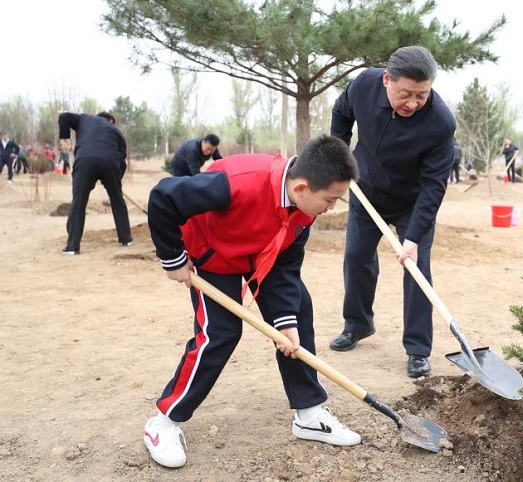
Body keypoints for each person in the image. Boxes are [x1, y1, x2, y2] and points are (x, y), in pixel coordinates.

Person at [143, 134, 361, 468]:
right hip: (211, 256)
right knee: (221, 333)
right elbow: (162, 198)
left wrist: (284, 320)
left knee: (297, 312)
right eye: (330, 200)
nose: (332, 208)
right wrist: (173, 258)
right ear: (301, 187)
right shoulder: (235, 183)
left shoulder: (305, 206)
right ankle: (165, 421)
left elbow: (286, 264)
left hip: (260, 257)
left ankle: (308, 413)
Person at [328, 45, 456, 379]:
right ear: (386, 79)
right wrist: (338, 156)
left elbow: (434, 185)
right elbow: (341, 115)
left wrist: (413, 237)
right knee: (356, 257)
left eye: (422, 95)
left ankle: (417, 349)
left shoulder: (441, 123)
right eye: (405, 94)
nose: (413, 103)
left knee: (416, 268)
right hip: (366, 190)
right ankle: (358, 324)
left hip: (413, 202)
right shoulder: (363, 86)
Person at [57, 112, 132, 255]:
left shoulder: (84, 119)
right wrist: (116, 182)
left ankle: (72, 246)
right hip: (110, 162)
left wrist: (64, 138)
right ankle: (126, 238)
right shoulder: (116, 131)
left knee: (78, 202)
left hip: (85, 160)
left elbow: (63, 117)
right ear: (110, 120)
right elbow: (121, 159)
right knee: (117, 200)